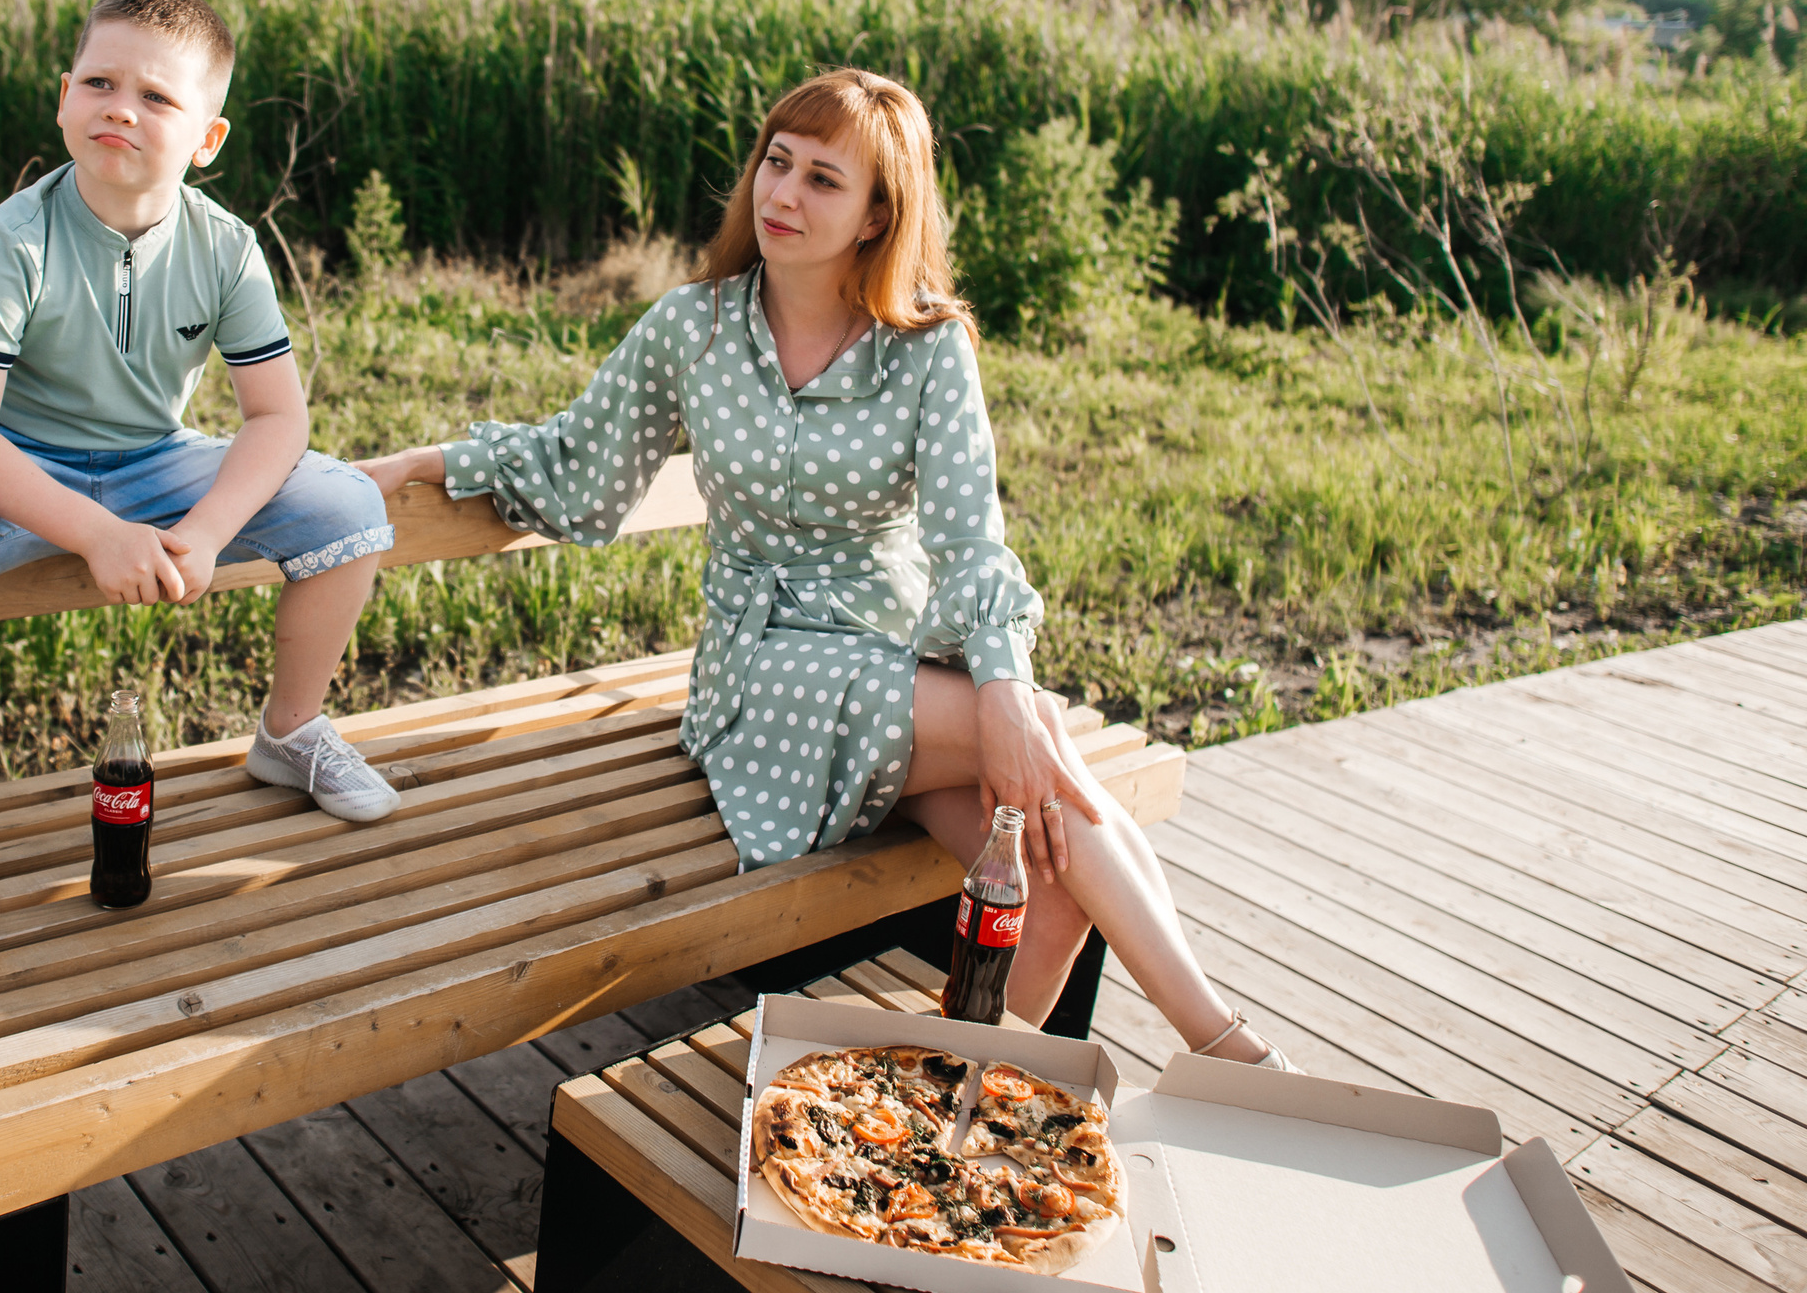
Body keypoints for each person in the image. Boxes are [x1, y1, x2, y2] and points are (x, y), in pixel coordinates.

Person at [358, 68, 1295, 1069]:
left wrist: (1002, 682)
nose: (781, 196)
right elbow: (577, 468)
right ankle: (1227, 1052)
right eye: (776, 162)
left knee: (1050, 872)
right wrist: (428, 465)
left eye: (820, 179)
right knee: (1042, 757)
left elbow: (969, 535)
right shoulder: (696, 328)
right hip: (766, 674)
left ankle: (957, 1100)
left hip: (891, 655)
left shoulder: (927, 347)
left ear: (876, 214)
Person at [0, 0, 400, 918]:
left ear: (207, 140)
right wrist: (97, 532)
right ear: (64, 99)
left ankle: (289, 732)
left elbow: (276, 419)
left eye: (159, 97)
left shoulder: (226, 247)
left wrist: (206, 533)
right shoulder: (15, 237)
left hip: (158, 458)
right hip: (6, 467)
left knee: (349, 505)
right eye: (98, 82)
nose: (120, 107)